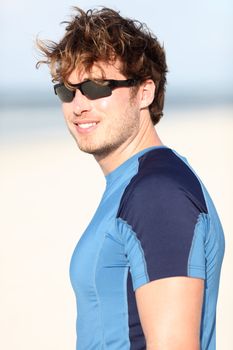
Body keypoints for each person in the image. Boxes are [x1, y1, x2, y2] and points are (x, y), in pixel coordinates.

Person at [37, 7, 225, 350]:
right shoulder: (133, 186)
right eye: (67, 90)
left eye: (97, 87)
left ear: (145, 93)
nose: (78, 105)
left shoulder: (157, 195)